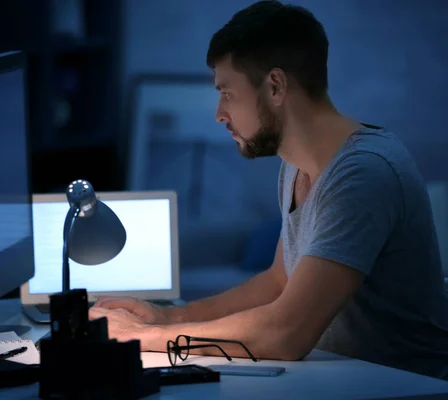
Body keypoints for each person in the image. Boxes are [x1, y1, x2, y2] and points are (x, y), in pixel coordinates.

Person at [89, 0, 448, 380]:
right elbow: (280, 282)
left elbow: (286, 334)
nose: (218, 114)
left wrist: (147, 336)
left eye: (227, 93)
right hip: (337, 380)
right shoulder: (295, 165)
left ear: (275, 86)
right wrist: (170, 315)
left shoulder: (363, 173)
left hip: (403, 388)